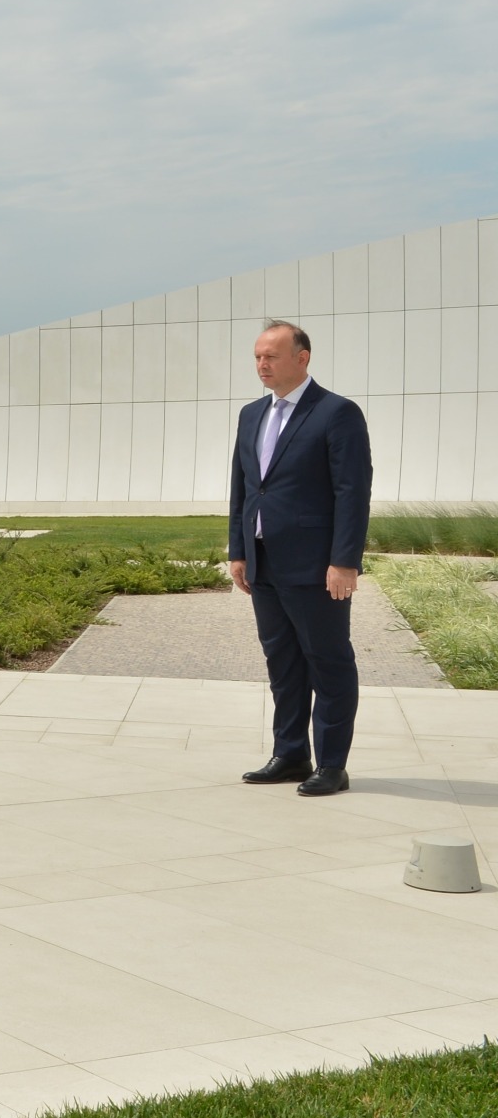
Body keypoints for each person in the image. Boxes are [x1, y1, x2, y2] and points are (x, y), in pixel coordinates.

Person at [230, 318, 372, 798]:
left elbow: (352, 491)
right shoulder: (251, 414)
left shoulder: (336, 413)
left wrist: (345, 561)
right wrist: (238, 550)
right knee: (283, 664)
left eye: (270, 356)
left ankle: (331, 764)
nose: (261, 365)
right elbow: (243, 487)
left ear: (302, 358)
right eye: (257, 357)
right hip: (263, 561)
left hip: (316, 566)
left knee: (328, 663)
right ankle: (291, 754)